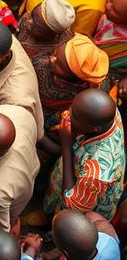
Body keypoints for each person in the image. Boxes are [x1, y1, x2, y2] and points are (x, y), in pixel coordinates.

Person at [44, 88, 124, 219]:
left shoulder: (97, 173)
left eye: (74, 115)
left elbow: (72, 208)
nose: (67, 114)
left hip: (80, 212)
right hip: (73, 173)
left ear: (95, 128)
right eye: (72, 106)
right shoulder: (110, 114)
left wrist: (66, 147)